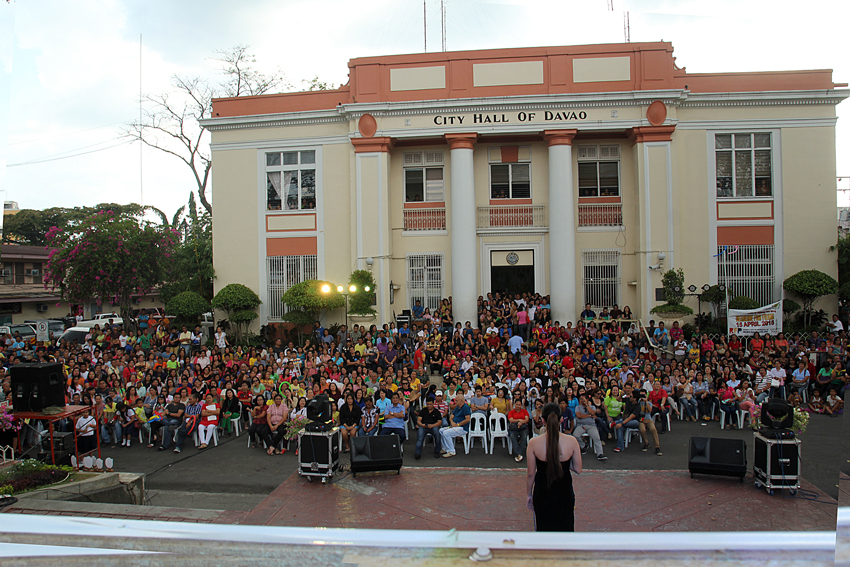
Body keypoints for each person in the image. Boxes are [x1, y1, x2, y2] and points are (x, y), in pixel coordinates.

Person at [526, 403, 582, 532]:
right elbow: (578, 469)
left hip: (542, 492)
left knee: (543, 530)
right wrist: (564, 464)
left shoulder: (534, 443)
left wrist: (529, 495)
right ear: (561, 419)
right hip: (564, 492)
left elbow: (530, 473)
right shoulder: (571, 441)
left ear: (543, 420)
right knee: (565, 530)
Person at [572, 393, 607, 461]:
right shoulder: (578, 407)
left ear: (587, 399)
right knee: (575, 435)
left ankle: (600, 454)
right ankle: (583, 445)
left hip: (591, 426)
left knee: (596, 437)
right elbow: (579, 416)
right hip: (581, 425)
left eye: (583, 399)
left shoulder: (592, 407)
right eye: (580, 399)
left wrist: (587, 406)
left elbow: (593, 413)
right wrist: (589, 416)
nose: (581, 400)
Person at [440, 393, 471, 458]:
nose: (455, 402)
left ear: (461, 401)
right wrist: (452, 423)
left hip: (462, 428)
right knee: (441, 430)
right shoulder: (457, 408)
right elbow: (451, 416)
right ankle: (445, 448)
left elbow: (468, 419)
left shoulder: (466, 408)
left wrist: (458, 424)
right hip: (455, 426)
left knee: (446, 433)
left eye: (456, 400)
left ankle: (451, 451)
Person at [507, 397, 531, 463]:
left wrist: (521, 422)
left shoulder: (524, 411)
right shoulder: (511, 412)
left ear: (521, 405)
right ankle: (519, 453)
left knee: (524, 436)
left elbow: (526, 419)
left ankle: (519, 454)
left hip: (523, 427)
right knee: (512, 436)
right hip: (514, 428)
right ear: (514, 404)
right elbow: (511, 420)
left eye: (519, 405)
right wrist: (518, 420)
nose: (518, 406)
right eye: (517, 404)